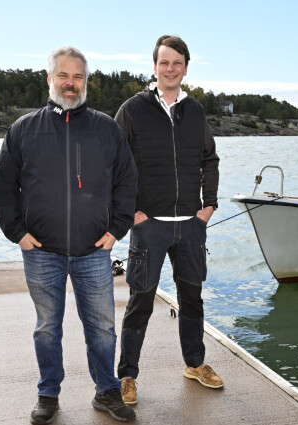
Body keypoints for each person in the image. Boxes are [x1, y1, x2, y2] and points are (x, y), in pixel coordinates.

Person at [0, 46, 138, 425]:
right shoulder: (24, 129)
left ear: (86, 82)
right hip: (41, 250)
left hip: (94, 250)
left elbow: (127, 181)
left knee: (103, 327)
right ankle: (48, 393)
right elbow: (3, 187)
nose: (70, 84)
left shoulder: (106, 128)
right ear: (49, 79)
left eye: (78, 77)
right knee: (46, 328)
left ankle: (106, 390)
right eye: (63, 75)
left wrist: (117, 228)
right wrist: (17, 233)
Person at [113, 35, 221, 405]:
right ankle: (127, 376)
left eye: (177, 63)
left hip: (191, 224)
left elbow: (210, 158)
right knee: (140, 300)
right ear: (154, 67)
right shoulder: (132, 109)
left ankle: (195, 364)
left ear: (186, 68)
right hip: (150, 225)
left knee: (192, 296)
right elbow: (115, 164)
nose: (170, 69)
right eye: (164, 63)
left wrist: (209, 206)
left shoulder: (196, 111)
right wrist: (131, 214)